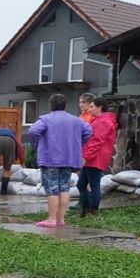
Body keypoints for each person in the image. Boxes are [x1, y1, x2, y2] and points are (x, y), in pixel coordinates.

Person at [27, 93, 92, 228]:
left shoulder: (45, 119)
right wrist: (78, 144)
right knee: (64, 187)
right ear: (65, 105)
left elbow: (33, 131)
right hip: (69, 158)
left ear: (50, 105)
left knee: (51, 188)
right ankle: (60, 218)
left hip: (50, 158)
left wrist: (37, 145)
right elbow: (88, 131)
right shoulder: (76, 120)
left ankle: (51, 219)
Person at [78, 97, 118, 217]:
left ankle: (93, 210)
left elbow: (96, 141)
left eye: (91, 107)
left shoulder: (103, 121)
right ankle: (86, 208)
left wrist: (86, 156)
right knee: (81, 184)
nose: (89, 110)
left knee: (94, 184)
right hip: (92, 157)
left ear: (100, 107)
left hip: (95, 158)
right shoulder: (99, 120)